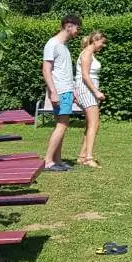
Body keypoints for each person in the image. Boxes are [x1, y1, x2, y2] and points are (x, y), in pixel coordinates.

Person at [41, 14, 82, 172]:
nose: (77, 32)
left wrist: (73, 90)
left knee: (62, 124)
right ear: (68, 26)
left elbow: (65, 72)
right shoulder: (52, 44)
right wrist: (53, 92)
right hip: (59, 90)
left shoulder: (63, 46)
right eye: (77, 28)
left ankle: (57, 160)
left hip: (66, 90)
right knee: (62, 124)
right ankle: (48, 161)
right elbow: (46, 70)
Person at [73, 31, 108, 169]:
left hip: (88, 91)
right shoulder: (87, 53)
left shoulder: (89, 53)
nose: (103, 45)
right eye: (102, 42)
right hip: (87, 90)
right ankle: (89, 158)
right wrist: (96, 92)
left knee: (90, 124)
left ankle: (82, 156)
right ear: (95, 40)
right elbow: (85, 76)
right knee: (94, 124)